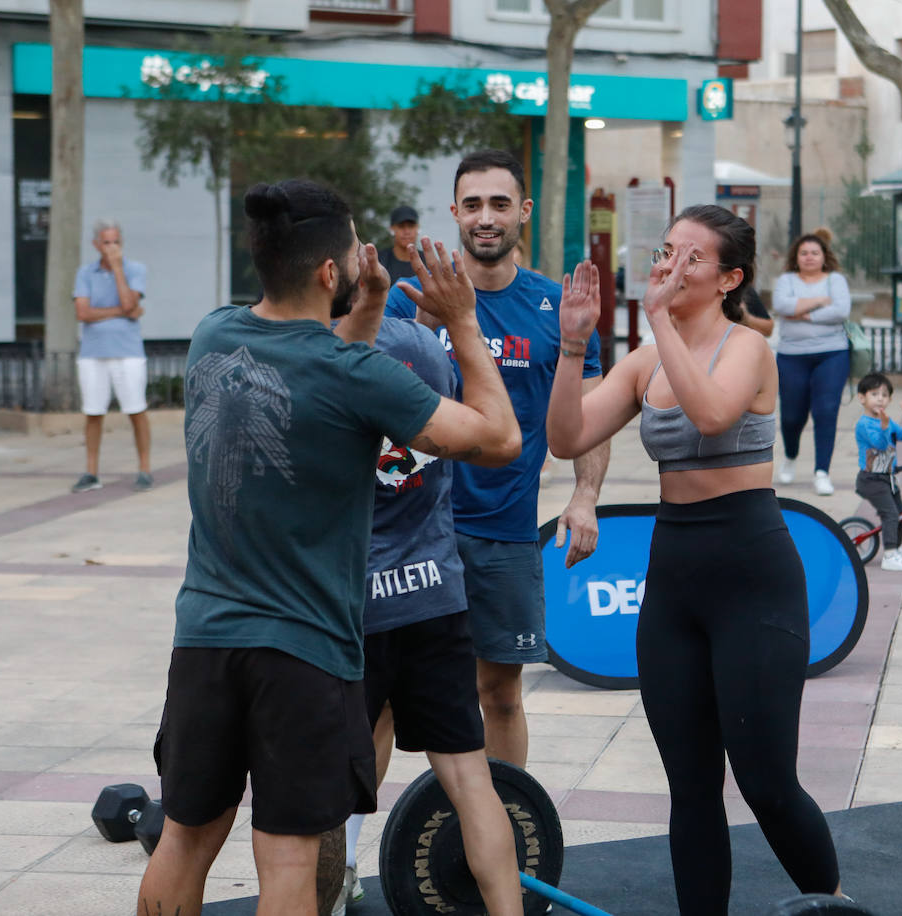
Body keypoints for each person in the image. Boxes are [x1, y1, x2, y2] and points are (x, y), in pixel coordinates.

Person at [137, 178, 520, 916]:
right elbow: (498, 438)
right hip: (303, 658)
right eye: (352, 255)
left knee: (183, 839)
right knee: (286, 864)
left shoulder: (214, 335)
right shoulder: (358, 376)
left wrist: (369, 303)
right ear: (327, 273)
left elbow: (313, 370)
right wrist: (463, 323)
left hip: (205, 644)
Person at [545, 205, 843, 915]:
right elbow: (566, 437)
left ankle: (833, 902)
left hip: (754, 576)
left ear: (728, 279)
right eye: (665, 252)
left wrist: (656, 323)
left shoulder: (748, 348)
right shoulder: (648, 358)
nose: (669, 268)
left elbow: (712, 414)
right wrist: (570, 347)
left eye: (689, 260)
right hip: (676, 578)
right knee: (690, 786)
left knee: (767, 781)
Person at [385, 149, 609, 768]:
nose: (486, 217)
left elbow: (588, 413)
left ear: (524, 213)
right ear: (455, 212)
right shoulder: (412, 300)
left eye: (500, 204)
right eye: (474, 204)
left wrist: (584, 496)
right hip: (410, 529)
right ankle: (346, 859)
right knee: (377, 698)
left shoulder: (553, 307)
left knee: (500, 695)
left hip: (504, 533)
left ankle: (511, 828)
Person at [337, 260, 521, 914]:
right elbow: (497, 431)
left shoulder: (316, 353)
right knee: (470, 779)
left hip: (350, 609)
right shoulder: (421, 345)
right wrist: (462, 321)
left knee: (326, 792)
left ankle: (332, 890)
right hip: (433, 596)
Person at [71, 219, 153, 493]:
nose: (112, 247)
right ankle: (91, 472)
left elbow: (131, 302)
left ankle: (144, 469)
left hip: (128, 352)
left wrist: (118, 269)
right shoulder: (85, 273)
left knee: (136, 410)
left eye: (116, 241)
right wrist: (122, 311)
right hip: (92, 353)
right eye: (106, 242)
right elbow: (82, 313)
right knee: (93, 413)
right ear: (96, 244)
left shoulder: (135, 269)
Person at [771, 229, 852, 496]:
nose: (809, 257)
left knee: (826, 411)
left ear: (824, 256)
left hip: (832, 354)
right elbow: (781, 306)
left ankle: (822, 472)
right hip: (791, 356)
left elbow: (841, 310)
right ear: (796, 256)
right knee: (792, 416)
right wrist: (818, 302)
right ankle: (791, 456)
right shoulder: (786, 280)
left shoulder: (836, 280)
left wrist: (803, 314)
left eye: (814, 253)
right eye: (803, 253)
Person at [853, 372, 902, 572]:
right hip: (871, 479)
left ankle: (897, 548)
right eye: (874, 394)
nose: (880, 398)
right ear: (862, 398)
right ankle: (889, 555)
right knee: (890, 514)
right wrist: (883, 427)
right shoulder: (863, 424)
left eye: (884, 394)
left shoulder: (887, 421)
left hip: (888, 478)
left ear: (890, 399)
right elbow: (880, 444)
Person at [376, 204, 420, 283]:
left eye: (411, 226)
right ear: (392, 229)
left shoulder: (427, 262)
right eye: (401, 226)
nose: (407, 232)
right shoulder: (379, 261)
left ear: (417, 228)